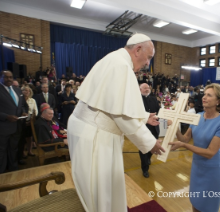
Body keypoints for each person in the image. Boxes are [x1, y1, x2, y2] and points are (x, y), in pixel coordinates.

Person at [67, 33, 165, 212]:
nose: (147, 64)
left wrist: (144, 117)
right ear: (137, 50)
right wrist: (150, 142)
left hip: (88, 128)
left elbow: (113, 105)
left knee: (97, 189)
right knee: (99, 192)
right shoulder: (121, 66)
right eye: (148, 58)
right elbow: (123, 116)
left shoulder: (114, 59)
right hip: (96, 137)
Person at [168, 83, 220, 212]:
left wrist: (184, 145)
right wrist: (174, 128)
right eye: (204, 94)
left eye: (209, 95)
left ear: (218, 101)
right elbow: (184, 138)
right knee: (195, 202)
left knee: (207, 207)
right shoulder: (197, 116)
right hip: (197, 167)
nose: (204, 97)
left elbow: (210, 152)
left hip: (212, 171)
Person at [0, 70, 28, 174]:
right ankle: (1, 174)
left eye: (11, 77)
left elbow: (23, 105)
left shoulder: (17, 90)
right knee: (1, 151)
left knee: (14, 149)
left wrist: (23, 112)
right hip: (3, 127)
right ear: (0, 77)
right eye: (6, 77)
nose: (9, 79)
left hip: (17, 126)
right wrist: (6, 116)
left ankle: (13, 170)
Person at [138, 83, 160, 178]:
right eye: (144, 88)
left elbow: (159, 111)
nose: (147, 89)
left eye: (148, 88)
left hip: (154, 127)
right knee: (143, 148)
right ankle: (145, 168)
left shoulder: (154, 99)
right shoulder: (137, 100)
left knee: (152, 146)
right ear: (140, 90)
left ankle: (148, 158)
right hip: (143, 127)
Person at [21, 85, 38, 156]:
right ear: (22, 91)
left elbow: (36, 111)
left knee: (29, 137)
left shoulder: (32, 100)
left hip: (30, 121)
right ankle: (22, 152)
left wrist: (32, 119)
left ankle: (29, 151)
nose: (27, 92)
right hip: (21, 122)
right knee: (22, 138)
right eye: (25, 90)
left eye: (28, 91)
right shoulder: (19, 100)